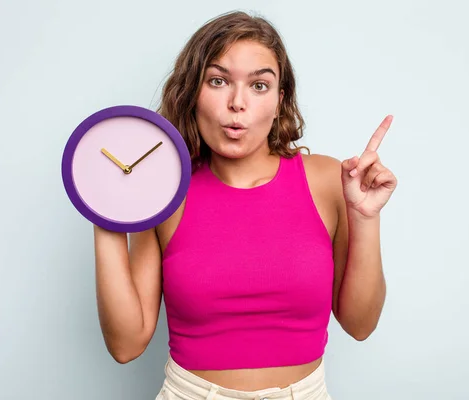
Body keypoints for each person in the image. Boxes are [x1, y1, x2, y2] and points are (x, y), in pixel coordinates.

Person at [93, 10, 398, 400]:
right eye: (218, 81)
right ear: (193, 92)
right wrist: (103, 214)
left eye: (259, 85)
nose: (237, 103)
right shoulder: (167, 192)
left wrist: (365, 217)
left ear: (278, 100)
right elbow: (126, 345)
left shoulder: (326, 180)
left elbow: (360, 324)